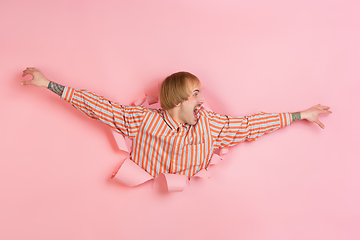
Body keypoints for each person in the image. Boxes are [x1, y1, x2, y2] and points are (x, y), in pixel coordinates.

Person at [21, 67, 332, 179]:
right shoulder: (140, 120)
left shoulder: (212, 125)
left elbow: (252, 124)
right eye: (196, 93)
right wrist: (48, 84)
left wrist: (301, 114)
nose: (201, 99)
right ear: (178, 99)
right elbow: (96, 106)